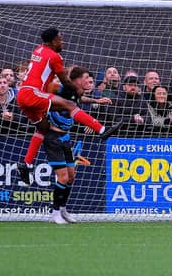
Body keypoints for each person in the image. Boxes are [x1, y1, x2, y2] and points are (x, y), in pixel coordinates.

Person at [15, 27, 122, 185]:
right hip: (32, 93)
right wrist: (77, 89)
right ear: (53, 41)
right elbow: (64, 80)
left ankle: (26, 163)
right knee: (70, 105)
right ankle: (102, 130)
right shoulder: (55, 57)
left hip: (23, 96)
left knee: (43, 129)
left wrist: (94, 100)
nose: (62, 41)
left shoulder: (39, 49)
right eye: (60, 39)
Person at [43, 66, 91, 224]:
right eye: (86, 79)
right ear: (77, 80)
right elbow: (49, 92)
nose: (89, 82)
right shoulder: (60, 89)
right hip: (53, 137)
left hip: (65, 137)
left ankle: (63, 209)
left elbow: (79, 100)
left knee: (71, 176)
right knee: (62, 177)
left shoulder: (76, 93)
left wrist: (96, 100)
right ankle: (55, 212)